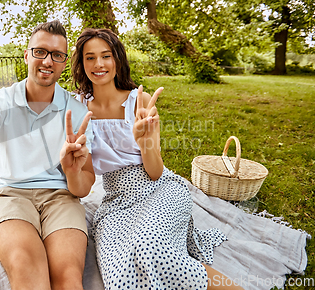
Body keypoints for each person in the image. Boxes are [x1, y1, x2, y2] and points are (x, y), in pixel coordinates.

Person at [71, 28, 244, 290]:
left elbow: (155, 171)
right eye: (90, 57)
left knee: (149, 247)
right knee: (120, 277)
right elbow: (83, 186)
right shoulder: (78, 108)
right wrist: (70, 167)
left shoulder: (139, 102)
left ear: (117, 60)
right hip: (116, 202)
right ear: (82, 64)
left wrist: (146, 143)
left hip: (159, 189)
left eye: (106, 56)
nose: (98, 64)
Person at [0, 20, 95, 290]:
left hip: (61, 197)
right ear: (27, 55)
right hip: (8, 195)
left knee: (69, 277)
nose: (48, 61)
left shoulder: (77, 111)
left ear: (64, 63)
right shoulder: (0, 102)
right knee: (26, 265)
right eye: (40, 51)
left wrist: (72, 171)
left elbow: (84, 186)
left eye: (57, 55)